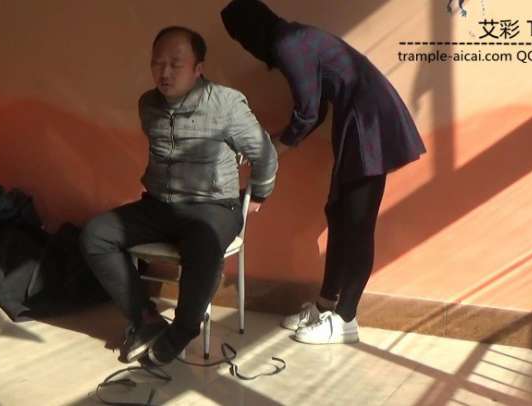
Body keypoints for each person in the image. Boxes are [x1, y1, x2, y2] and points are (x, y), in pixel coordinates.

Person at [221, 0, 425, 344]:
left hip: (370, 122)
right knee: (339, 213)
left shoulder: (288, 44)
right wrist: (274, 143)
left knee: (357, 223)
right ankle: (326, 304)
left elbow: (307, 113)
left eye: (241, 38)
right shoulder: (294, 39)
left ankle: (346, 319)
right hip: (357, 120)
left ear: (251, 31)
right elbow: (314, 112)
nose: (245, 48)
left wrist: (273, 151)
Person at [80, 26, 278, 365]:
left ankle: (184, 329)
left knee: (203, 244)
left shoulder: (226, 104)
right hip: (160, 205)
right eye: (158, 63)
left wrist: (259, 193)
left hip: (213, 206)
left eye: (175, 64)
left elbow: (264, 154)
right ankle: (146, 319)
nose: (165, 72)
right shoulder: (148, 105)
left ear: (198, 68)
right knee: (95, 235)